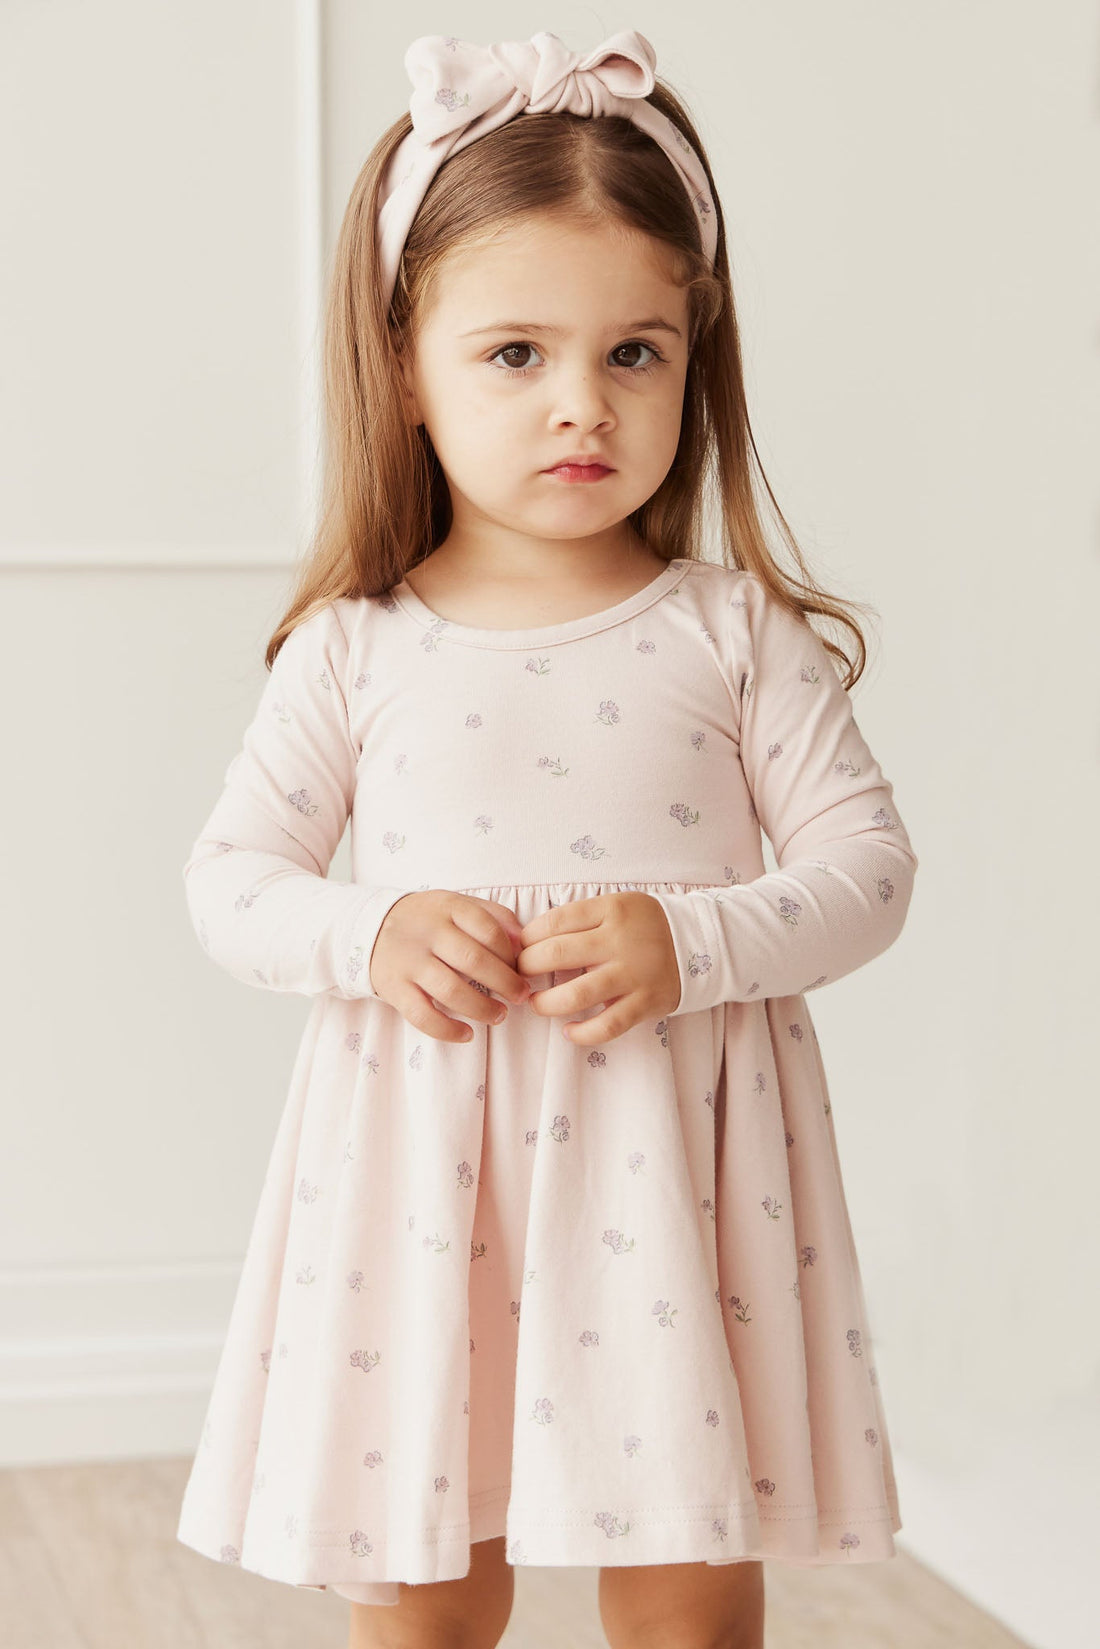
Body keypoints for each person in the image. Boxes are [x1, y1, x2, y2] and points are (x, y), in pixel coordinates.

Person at [174, 28, 919, 1649]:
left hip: (675, 1182)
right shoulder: (357, 647)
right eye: (515, 352)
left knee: (686, 1594)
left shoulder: (734, 633)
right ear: (405, 362)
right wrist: (370, 930)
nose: (583, 402)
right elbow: (230, 883)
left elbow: (868, 872)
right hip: (427, 1194)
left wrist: (694, 937)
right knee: (428, 1587)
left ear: (693, 355)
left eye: (634, 351)